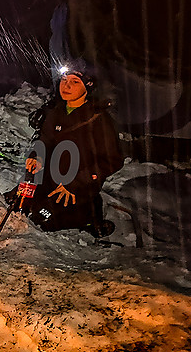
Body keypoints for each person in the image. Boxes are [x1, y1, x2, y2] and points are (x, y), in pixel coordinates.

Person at [21, 60, 124, 237]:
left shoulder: (99, 120)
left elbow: (112, 160)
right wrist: (36, 156)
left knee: (41, 220)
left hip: (77, 188)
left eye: (75, 82)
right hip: (51, 180)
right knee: (21, 207)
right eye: (63, 80)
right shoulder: (57, 111)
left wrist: (75, 182)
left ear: (88, 87)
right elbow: (44, 141)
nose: (66, 86)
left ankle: (88, 218)